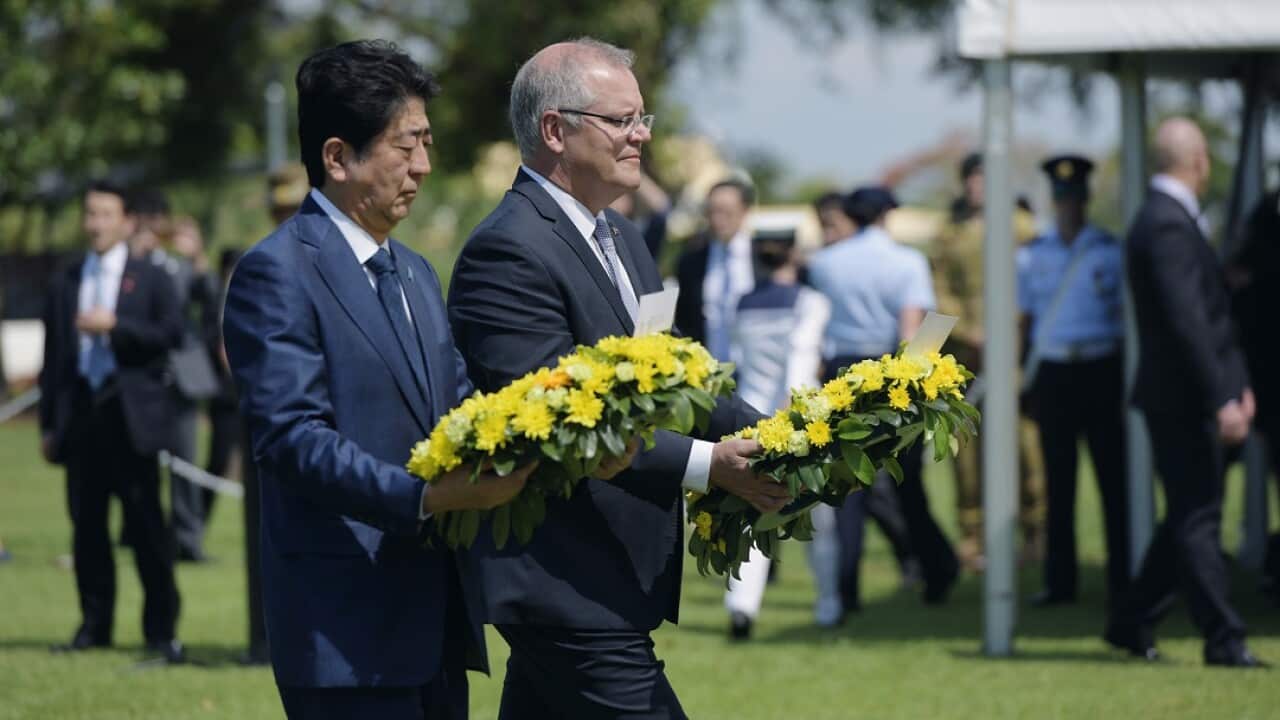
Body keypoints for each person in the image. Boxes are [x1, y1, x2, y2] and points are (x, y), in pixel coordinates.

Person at [447, 38, 789, 719]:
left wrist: (785, 434)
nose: (641, 136)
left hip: (606, 576)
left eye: (644, 119)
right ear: (555, 130)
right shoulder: (507, 249)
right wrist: (708, 465)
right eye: (621, 120)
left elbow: (680, 377)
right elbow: (562, 417)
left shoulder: (625, 239)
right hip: (564, 581)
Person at [222, 40, 535, 718]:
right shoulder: (276, 272)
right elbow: (291, 438)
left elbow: (456, 404)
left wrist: (550, 412)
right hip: (343, 630)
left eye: (426, 142)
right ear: (337, 157)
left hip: (435, 619)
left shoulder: (417, 272)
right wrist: (424, 496)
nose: (423, 166)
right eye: (406, 145)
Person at [1104, 117, 1265, 668]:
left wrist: (1235, 386)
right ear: (1198, 162)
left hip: (1188, 392)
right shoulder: (1168, 224)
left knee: (1187, 515)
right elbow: (1188, 321)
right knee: (1199, 518)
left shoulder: (1163, 219)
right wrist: (1222, 395)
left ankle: (1132, 620)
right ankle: (1223, 637)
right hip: (1184, 397)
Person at [39, 180, 185, 662]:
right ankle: (94, 626)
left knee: (147, 530)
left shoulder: (151, 277)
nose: (95, 224)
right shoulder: (66, 280)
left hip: (133, 421)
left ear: (126, 222)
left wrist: (115, 327)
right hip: (82, 419)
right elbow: (54, 358)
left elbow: (170, 334)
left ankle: (161, 631)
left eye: (105, 214)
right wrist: (48, 424)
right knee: (87, 529)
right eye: (90, 213)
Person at [808, 186, 959, 610]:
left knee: (846, 484)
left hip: (840, 371)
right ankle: (935, 569)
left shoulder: (824, 263)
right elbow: (914, 332)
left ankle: (846, 586)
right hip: (890, 370)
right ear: (887, 215)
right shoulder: (906, 261)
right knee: (906, 483)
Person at [1018, 155, 1130, 608]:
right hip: (1055, 370)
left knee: (1113, 479)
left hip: (1101, 366)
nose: (1068, 206)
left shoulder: (1109, 250)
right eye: (1062, 198)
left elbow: (1125, 318)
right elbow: (1023, 321)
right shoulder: (1032, 255)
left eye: (1075, 197)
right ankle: (1059, 581)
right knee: (1058, 482)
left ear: (1085, 198)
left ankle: (1122, 575)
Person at [932, 152, 1047, 572]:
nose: (976, 186)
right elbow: (939, 289)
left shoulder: (1021, 227)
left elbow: (1036, 283)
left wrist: (1008, 328)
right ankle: (971, 538)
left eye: (984, 178)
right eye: (971, 179)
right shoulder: (949, 233)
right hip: (963, 360)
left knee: (1026, 444)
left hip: (1013, 356)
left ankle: (1036, 531)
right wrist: (965, 331)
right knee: (964, 449)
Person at [724, 230, 836, 638]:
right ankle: (828, 604)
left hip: (751, 417)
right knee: (820, 516)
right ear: (794, 253)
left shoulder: (742, 303)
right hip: (799, 416)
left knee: (753, 514)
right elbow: (802, 357)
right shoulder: (811, 301)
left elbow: (734, 358)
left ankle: (741, 605)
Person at [129, 190, 214, 562]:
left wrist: (198, 259)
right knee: (138, 465)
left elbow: (209, 299)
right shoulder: (128, 265)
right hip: (142, 376)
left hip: (181, 375)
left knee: (187, 463)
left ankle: (189, 542)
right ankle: (140, 537)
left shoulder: (179, 264)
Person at [674, 178, 757, 360]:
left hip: (754, 370)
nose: (718, 220)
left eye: (727, 212)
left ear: (744, 211)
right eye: (712, 212)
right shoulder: (691, 261)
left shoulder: (760, 258)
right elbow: (685, 319)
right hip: (709, 368)